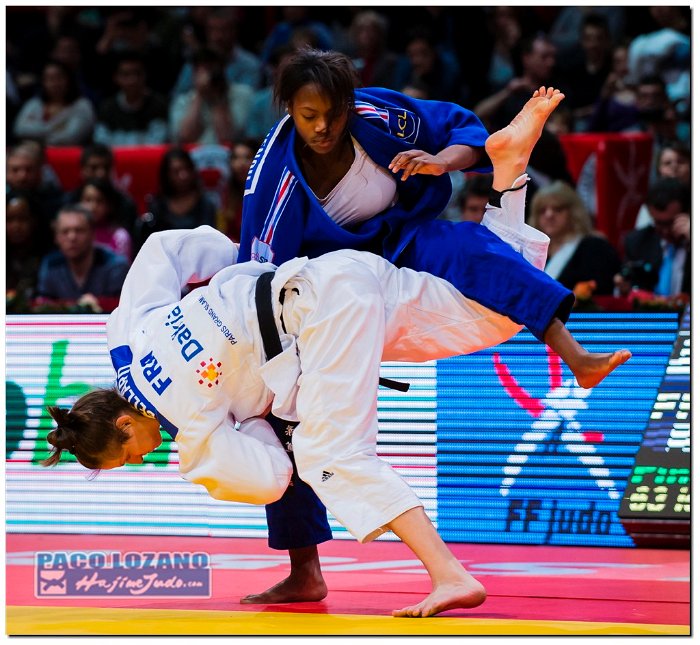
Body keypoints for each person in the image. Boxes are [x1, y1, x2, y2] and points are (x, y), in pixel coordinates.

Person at [44, 91, 629, 616]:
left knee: (327, 453)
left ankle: (450, 574)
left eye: (129, 455)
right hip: (331, 274)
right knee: (491, 317)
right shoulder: (127, 338)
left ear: (124, 424)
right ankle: (510, 179)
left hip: (322, 322)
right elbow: (166, 249)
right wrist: (240, 268)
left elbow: (273, 475)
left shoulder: (192, 432)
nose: (144, 458)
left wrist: (243, 425)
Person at [239, 49, 618, 384]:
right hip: (335, 278)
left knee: (471, 244)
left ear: (349, 105)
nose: (322, 126)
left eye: (333, 114)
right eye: (309, 116)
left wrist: (441, 162)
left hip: (400, 232)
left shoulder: (375, 115)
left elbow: (459, 130)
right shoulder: (273, 180)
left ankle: (576, 357)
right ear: (290, 108)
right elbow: (257, 282)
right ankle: (510, 173)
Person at [528, 181, 620, 296]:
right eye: (542, 210)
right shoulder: (529, 253)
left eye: (557, 209)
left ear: (573, 212)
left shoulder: (595, 247)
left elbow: (601, 293)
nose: (549, 215)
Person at [35, 204, 129, 306]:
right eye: (65, 232)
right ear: (56, 237)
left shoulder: (116, 266)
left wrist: (100, 303)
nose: (72, 237)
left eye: (79, 230)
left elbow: (123, 305)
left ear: (93, 234)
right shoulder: (50, 264)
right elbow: (42, 303)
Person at [134, 148, 217, 253]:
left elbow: (211, 241)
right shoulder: (157, 205)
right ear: (166, 175)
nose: (183, 175)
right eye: (176, 171)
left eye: (186, 169)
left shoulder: (205, 204)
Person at [617, 177, 690, 297]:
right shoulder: (637, 242)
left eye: (670, 223)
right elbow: (633, 288)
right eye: (659, 223)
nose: (665, 231)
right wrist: (625, 287)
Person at [169, 48, 254, 144]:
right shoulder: (182, 100)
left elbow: (227, 137)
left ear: (223, 69)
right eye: (202, 70)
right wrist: (199, 94)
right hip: (195, 152)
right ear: (194, 73)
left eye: (211, 69)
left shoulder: (243, 94)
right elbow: (186, 137)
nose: (208, 75)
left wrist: (217, 98)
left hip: (228, 152)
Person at [93, 50, 169, 146]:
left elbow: (158, 143)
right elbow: (101, 143)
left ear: (145, 75)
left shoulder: (158, 105)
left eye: (137, 73)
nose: (132, 80)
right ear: (116, 78)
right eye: (126, 75)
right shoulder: (107, 108)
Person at [13, 59, 95, 146]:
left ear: (69, 79)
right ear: (43, 82)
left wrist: (37, 135)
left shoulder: (82, 106)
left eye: (59, 77)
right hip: (33, 152)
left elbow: (70, 137)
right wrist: (55, 128)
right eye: (50, 79)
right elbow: (19, 129)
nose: (55, 83)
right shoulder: (35, 103)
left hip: (68, 153)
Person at [64, 143, 140, 231]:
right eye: (94, 168)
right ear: (83, 169)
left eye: (106, 167)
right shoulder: (69, 202)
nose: (101, 174)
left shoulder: (125, 204)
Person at [77, 178, 133, 262]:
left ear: (109, 205)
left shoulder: (119, 236)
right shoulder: (73, 233)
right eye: (88, 200)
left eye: (99, 201)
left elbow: (122, 267)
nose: (93, 206)